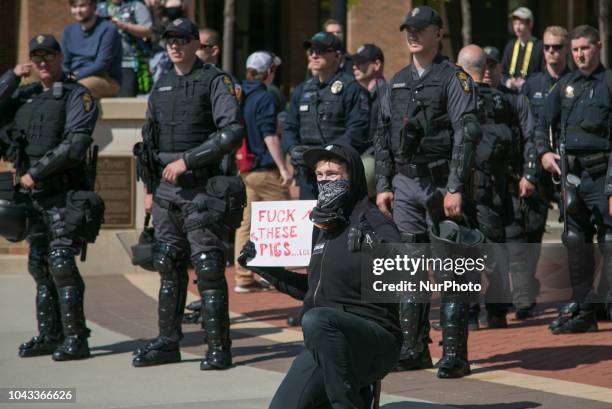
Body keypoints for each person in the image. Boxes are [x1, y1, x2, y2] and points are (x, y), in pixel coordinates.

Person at [238, 143, 402, 409]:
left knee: (316, 318)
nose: (325, 180)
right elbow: (313, 290)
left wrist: (377, 250)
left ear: (354, 177)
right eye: (320, 175)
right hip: (326, 340)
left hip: (373, 338)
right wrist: (262, 266)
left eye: (333, 174)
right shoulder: (323, 227)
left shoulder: (375, 222)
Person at [374, 5, 481, 378]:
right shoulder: (397, 80)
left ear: (438, 33)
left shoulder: (454, 78)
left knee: (451, 267)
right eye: (408, 30)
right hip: (404, 184)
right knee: (411, 268)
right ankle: (413, 347)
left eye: (420, 29)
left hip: (440, 184)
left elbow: (466, 135)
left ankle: (455, 354)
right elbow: (383, 136)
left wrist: (454, 186)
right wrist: (384, 185)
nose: (412, 35)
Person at [131, 18, 243, 369]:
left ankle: (218, 348)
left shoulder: (215, 81)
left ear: (197, 44)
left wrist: (187, 161)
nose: (175, 46)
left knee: (209, 267)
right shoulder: (162, 84)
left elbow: (232, 132)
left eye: (182, 40)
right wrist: (150, 189)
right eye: (169, 41)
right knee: (167, 264)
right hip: (165, 192)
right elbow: (148, 144)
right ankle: (167, 342)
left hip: (201, 188)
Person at [0, 34, 100, 360]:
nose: (43, 63)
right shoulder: (27, 95)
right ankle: (50, 334)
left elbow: (75, 145)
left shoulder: (76, 95)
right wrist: (13, 77)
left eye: (48, 56)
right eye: (37, 57)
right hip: (32, 199)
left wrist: (36, 173)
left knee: (61, 265)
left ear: (60, 58)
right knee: (38, 266)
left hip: (63, 193)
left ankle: (76, 338)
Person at [536, 25, 612, 332]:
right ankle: (584, 309)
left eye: (586, 48)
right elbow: (542, 123)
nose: (580, 54)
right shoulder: (566, 85)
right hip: (573, 178)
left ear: (598, 47)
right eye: (576, 49)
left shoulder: (608, 82)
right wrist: (543, 153)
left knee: (609, 242)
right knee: (574, 241)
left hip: (603, 176)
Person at [457, 45, 538, 329]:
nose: (488, 71)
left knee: (498, 251)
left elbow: (531, 136)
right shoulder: (462, 98)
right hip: (465, 186)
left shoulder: (513, 101)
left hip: (503, 186)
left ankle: (499, 309)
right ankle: (469, 312)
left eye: (493, 66)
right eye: (484, 66)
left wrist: (529, 174)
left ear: (501, 68)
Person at [512, 26, 571, 319]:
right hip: (536, 166)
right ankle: (525, 293)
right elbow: (524, 128)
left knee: (575, 233)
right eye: (548, 47)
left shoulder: (576, 81)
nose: (552, 52)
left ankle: (583, 298)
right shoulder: (532, 83)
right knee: (529, 231)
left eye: (558, 47)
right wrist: (530, 168)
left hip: (568, 167)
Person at [283, 31, 370, 200]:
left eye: (321, 50)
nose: (314, 55)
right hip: (307, 173)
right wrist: (293, 149)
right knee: (310, 223)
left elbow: (357, 131)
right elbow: (289, 127)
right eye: (311, 51)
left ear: (337, 55)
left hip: (337, 171)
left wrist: (325, 154)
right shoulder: (302, 89)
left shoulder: (351, 88)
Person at [233, 51, 292, 293]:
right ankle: (272, 275)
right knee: (281, 220)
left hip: (245, 168)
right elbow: (269, 135)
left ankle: (243, 276)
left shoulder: (240, 95)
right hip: (265, 169)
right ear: (268, 73)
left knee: (246, 224)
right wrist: (283, 167)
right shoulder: (264, 97)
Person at [350, 43, 389, 198]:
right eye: (354, 63)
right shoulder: (357, 94)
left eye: (361, 63)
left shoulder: (386, 94)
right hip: (359, 154)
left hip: (375, 158)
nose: (355, 67)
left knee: (365, 172)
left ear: (377, 65)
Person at [62, 0, 123, 98]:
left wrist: (74, 77)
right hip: (73, 78)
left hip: (105, 78)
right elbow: (64, 62)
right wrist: (66, 76)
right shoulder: (68, 31)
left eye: (82, 6)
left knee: (78, 88)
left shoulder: (108, 29)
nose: (78, 11)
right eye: (74, 7)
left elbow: (102, 65)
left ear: (93, 6)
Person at [97, 0, 154, 96]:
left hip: (128, 62)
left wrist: (123, 25)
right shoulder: (100, 7)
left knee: (126, 100)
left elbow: (147, 31)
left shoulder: (136, 5)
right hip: (103, 63)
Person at [501, 7, 543, 92]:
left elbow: (542, 73)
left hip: (531, 92)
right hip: (511, 92)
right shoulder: (510, 46)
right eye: (515, 24)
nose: (517, 27)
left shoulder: (539, 46)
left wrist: (527, 83)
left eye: (521, 23)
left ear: (530, 24)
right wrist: (507, 81)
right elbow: (502, 71)